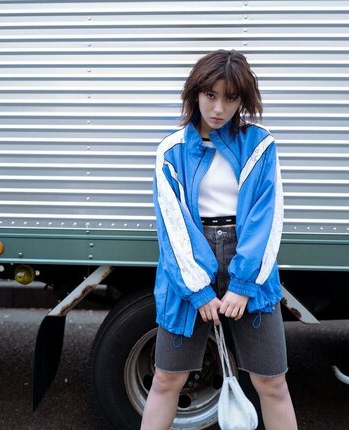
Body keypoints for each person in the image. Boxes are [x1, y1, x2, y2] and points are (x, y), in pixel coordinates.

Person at [141, 49, 298, 430]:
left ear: (242, 100)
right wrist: (197, 290)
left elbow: (267, 219)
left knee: (272, 383)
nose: (218, 108)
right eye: (210, 95)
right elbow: (172, 227)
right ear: (195, 93)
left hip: (250, 264)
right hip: (188, 266)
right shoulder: (171, 150)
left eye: (230, 98)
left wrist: (243, 285)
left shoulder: (260, 145)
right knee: (166, 379)